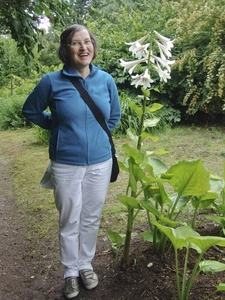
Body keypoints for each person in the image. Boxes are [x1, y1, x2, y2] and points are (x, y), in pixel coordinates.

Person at [22, 24, 121, 299]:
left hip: (101, 162)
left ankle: (86, 265)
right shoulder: (51, 81)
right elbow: (30, 110)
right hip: (65, 163)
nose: (83, 48)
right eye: (76, 43)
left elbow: (114, 116)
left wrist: (101, 138)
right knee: (69, 219)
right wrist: (56, 126)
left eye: (87, 42)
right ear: (66, 49)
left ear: (93, 45)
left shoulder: (106, 80)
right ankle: (70, 272)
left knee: (91, 217)